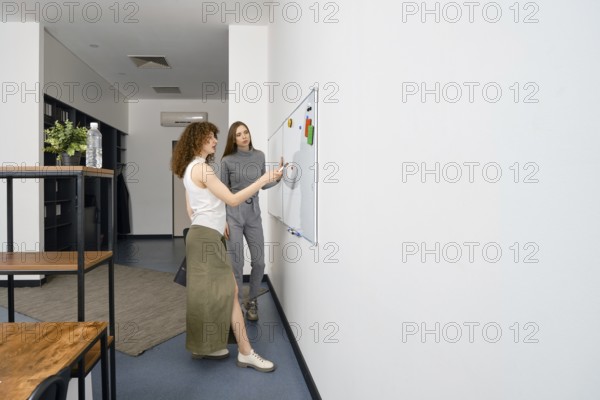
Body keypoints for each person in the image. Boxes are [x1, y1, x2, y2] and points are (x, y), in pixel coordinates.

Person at [171, 121, 282, 372]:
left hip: (201, 235)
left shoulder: (191, 169)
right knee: (230, 292)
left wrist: (211, 220)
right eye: (210, 137)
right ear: (198, 140)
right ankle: (246, 353)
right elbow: (232, 199)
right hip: (207, 239)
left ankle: (204, 346)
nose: (215, 141)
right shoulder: (204, 169)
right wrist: (263, 178)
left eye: (215, 137)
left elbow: (191, 209)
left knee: (207, 293)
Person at [220, 121, 281, 321]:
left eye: (246, 132)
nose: (244, 136)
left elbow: (262, 185)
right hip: (233, 214)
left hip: (254, 213)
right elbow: (221, 193)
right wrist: (223, 221)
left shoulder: (259, 156)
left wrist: (277, 178)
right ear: (233, 139)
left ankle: (252, 300)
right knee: (237, 264)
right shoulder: (227, 161)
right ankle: (237, 306)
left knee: (260, 262)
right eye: (239, 134)